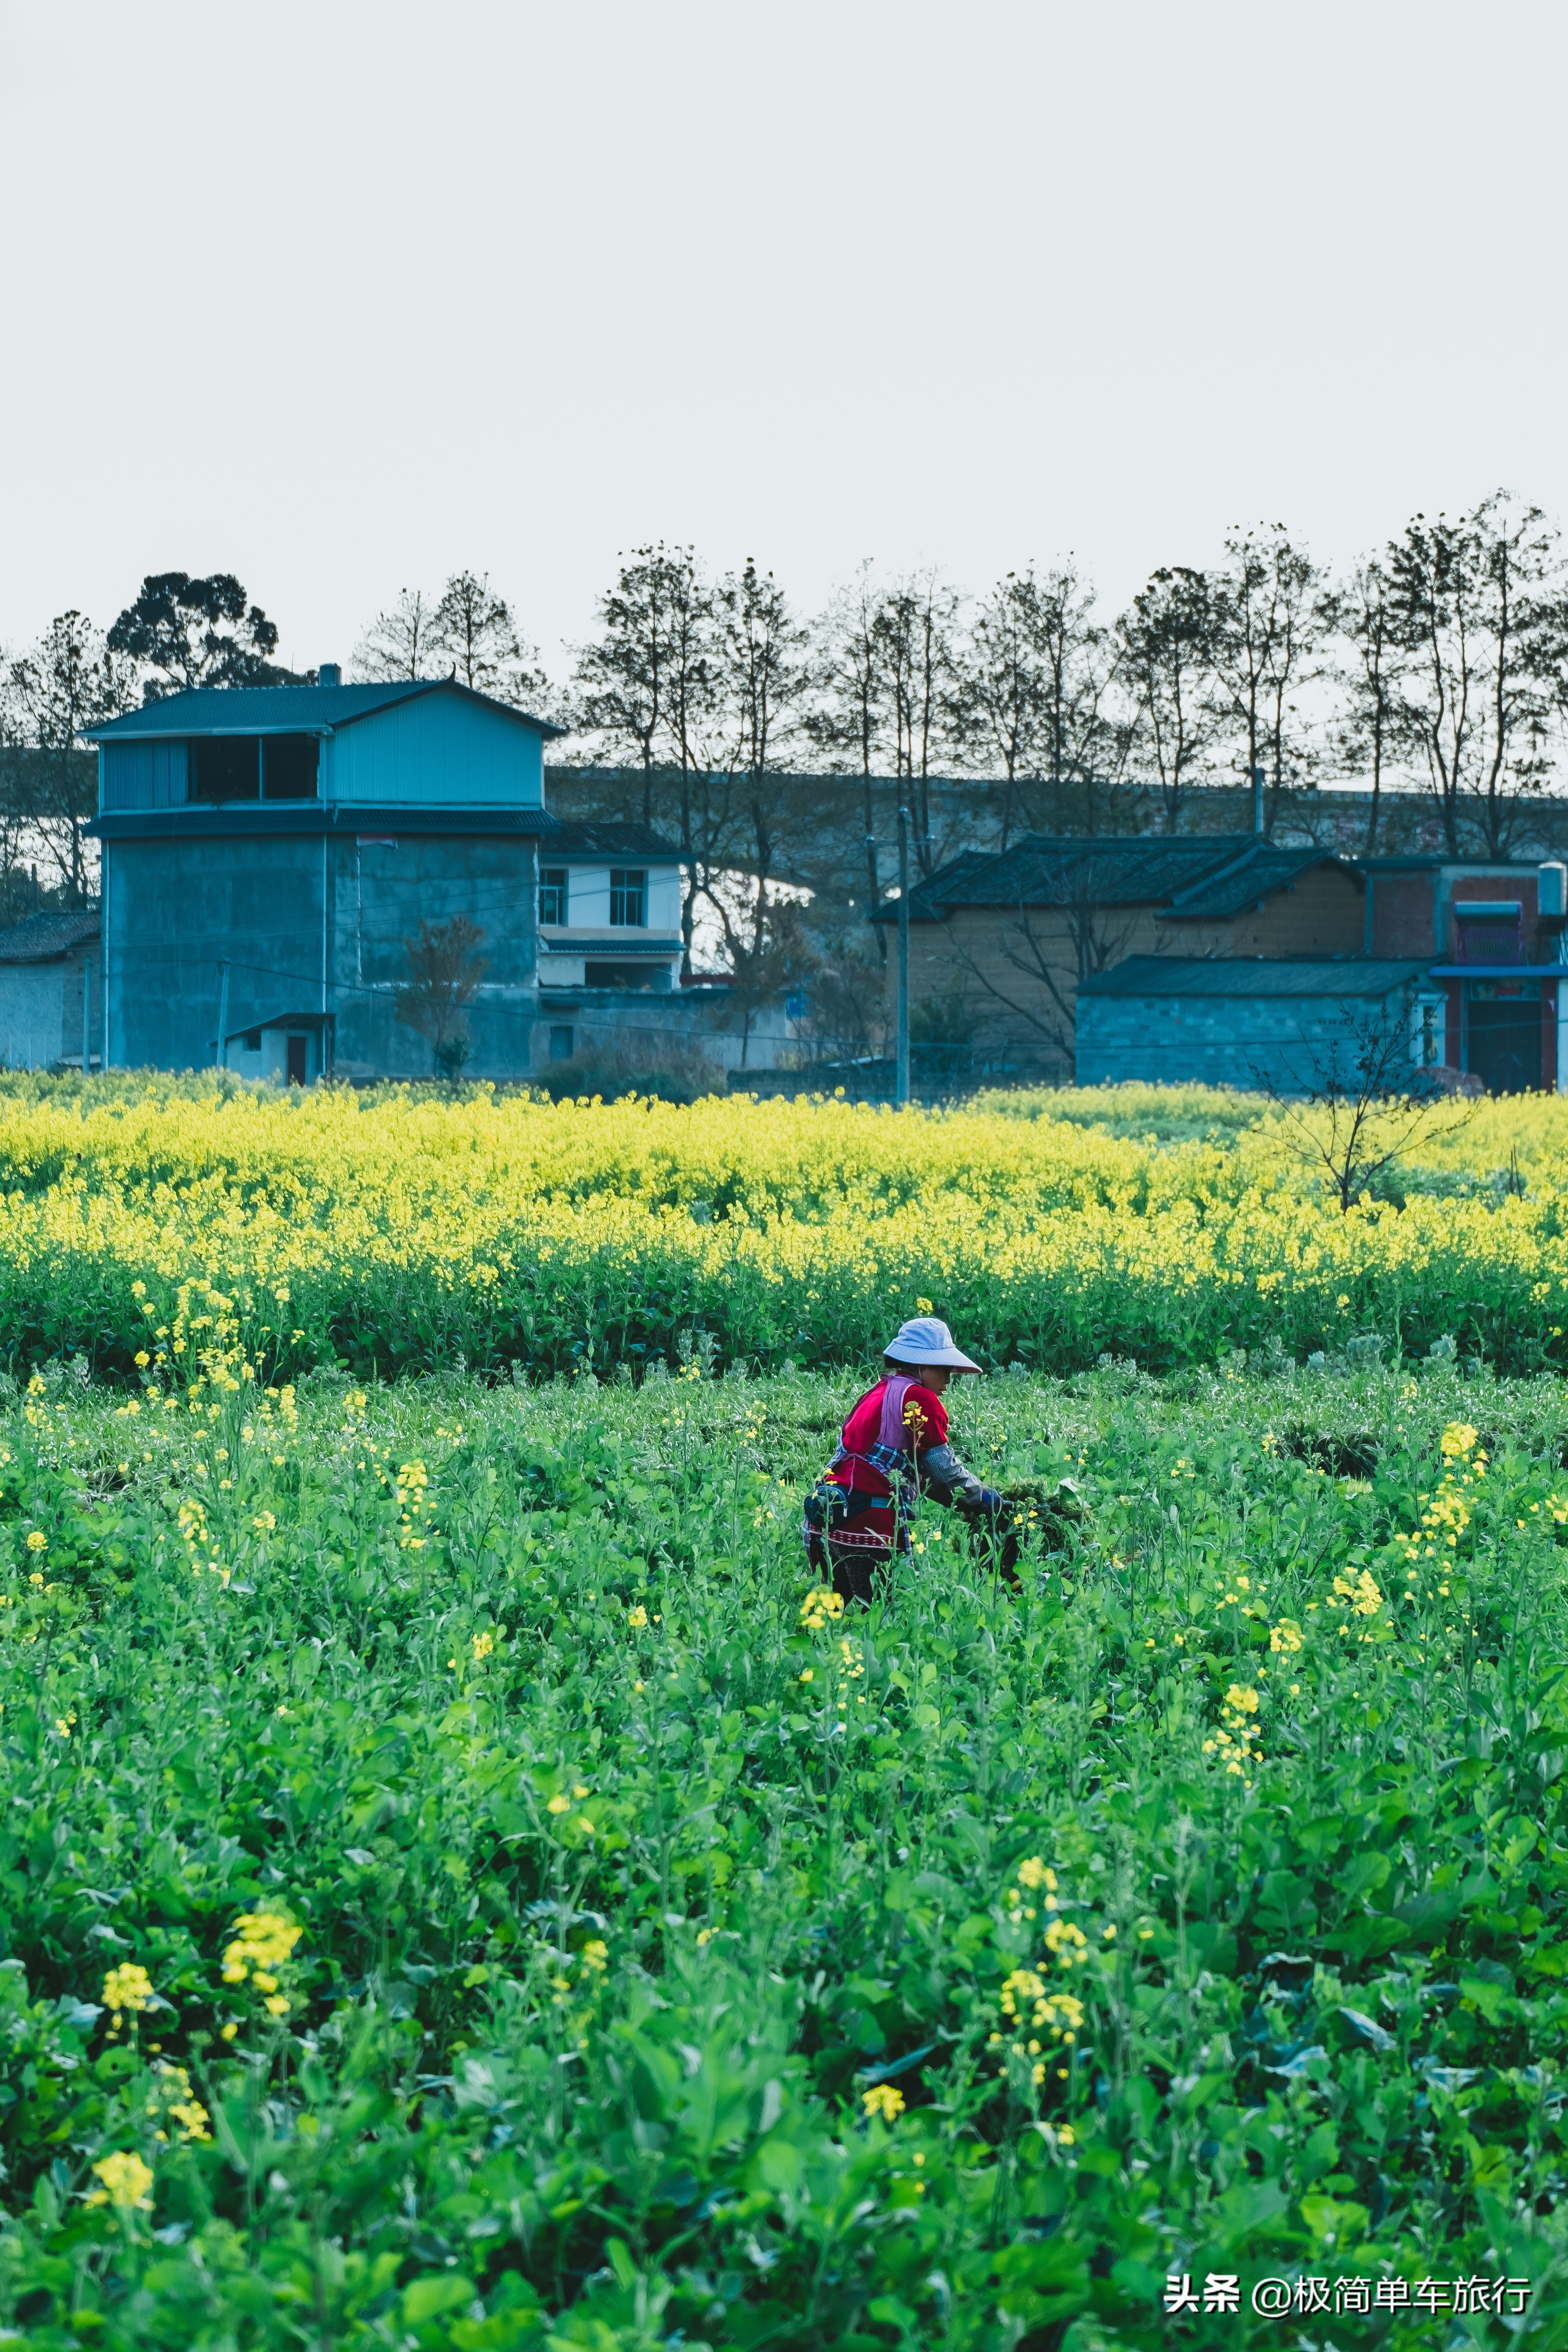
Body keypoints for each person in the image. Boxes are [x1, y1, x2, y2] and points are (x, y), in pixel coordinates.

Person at [802, 1316, 1008, 1604]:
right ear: (922, 1365)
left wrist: (961, 1503)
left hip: (829, 1517)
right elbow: (943, 1468)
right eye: (944, 1369)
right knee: (881, 1612)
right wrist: (983, 1495)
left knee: (838, 1612)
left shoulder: (878, 1392)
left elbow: (907, 1472)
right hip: (870, 1525)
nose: (950, 1379)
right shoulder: (919, 1399)